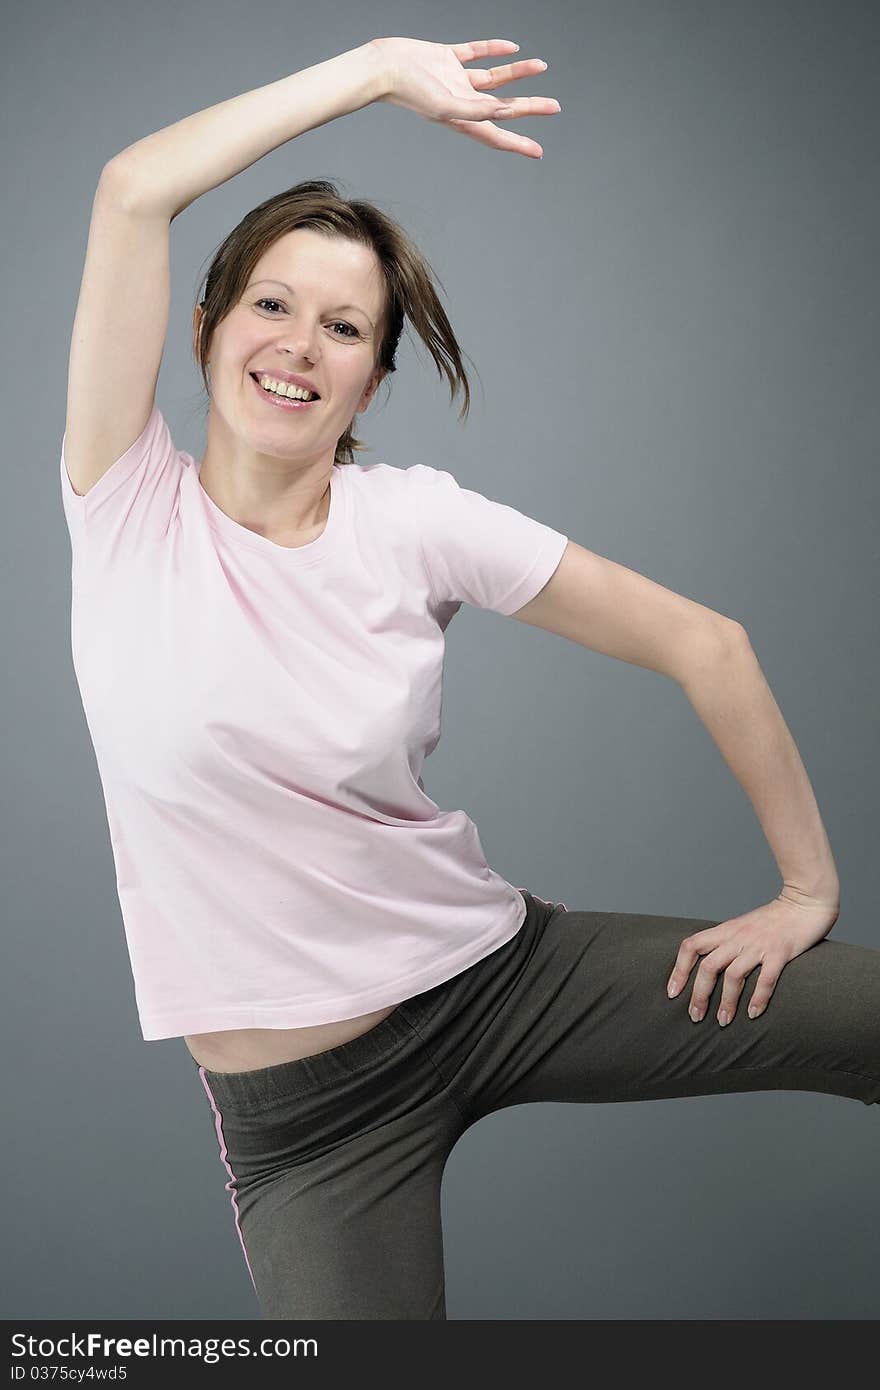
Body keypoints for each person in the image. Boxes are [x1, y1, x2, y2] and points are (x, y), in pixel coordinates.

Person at [60, 36, 878, 1321]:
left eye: (344, 327)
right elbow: (130, 191)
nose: (299, 347)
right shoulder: (124, 505)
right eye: (271, 305)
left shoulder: (413, 521)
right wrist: (378, 66)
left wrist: (805, 888)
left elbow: (706, 642)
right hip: (311, 1130)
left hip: (499, 986)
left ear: (372, 379)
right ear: (206, 324)